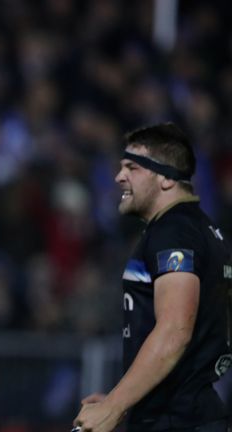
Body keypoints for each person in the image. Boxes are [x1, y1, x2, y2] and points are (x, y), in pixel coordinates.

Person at [73, 123, 231, 431]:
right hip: (182, 414)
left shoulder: (175, 232)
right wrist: (125, 399)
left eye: (132, 167)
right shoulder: (201, 229)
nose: (119, 176)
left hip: (179, 422)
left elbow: (174, 331)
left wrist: (114, 406)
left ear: (166, 179)